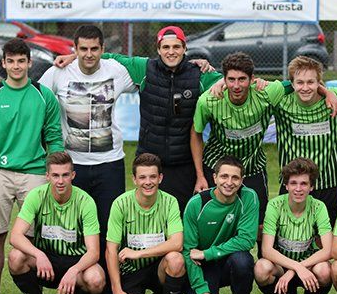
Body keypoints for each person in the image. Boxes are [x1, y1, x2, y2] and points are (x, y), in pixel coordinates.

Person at [55, 25, 221, 211]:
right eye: (166, 47)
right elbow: (108, 57)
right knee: (146, 216)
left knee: (180, 216)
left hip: (184, 163)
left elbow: (229, 81)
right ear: (158, 49)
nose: (171, 52)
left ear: (184, 48)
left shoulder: (198, 74)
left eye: (176, 47)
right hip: (149, 160)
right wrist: (74, 57)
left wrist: (219, 79)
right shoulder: (144, 68)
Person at [39, 25, 138, 294]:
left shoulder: (116, 70)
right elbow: (29, 92)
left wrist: (200, 66)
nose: (89, 54)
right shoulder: (58, 73)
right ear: (75, 49)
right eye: (83, 49)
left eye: (95, 48)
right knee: (77, 231)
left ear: (103, 49)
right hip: (74, 166)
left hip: (110, 164)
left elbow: (150, 68)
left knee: (109, 231)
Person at [0, 38, 64, 294]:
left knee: (32, 239)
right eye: (10, 61)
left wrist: (53, 172)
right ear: (3, 63)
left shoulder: (43, 95)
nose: (16, 66)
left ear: (29, 63)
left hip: (34, 174)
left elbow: (53, 137)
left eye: (21, 61)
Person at [191, 52, 288, 229]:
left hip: (252, 168)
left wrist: (326, 92)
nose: (236, 85)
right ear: (224, 80)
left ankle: (260, 249)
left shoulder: (266, 93)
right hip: (216, 167)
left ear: (252, 79)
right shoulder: (209, 100)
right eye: (231, 79)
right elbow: (196, 133)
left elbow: (297, 83)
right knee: (212, 225)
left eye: (242, 79)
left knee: (260, 226)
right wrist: (200, 176)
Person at [272, 55, 337, 226]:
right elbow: (253, 87)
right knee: (291, 236)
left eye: (311, 82)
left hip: (329, 183)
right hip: (294, 185)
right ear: (292, 83)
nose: (305, 87)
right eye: (300, 82)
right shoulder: (281, 101)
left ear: (319, 82)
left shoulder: (334, 100)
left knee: (324, 236)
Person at [7, 152, 104, 294]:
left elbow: (94, 252)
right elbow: (15, 236)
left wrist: (74, 270)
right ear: (47, 176)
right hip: (46, 261)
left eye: (65, 175)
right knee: (15, 257)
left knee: (96, 279)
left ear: (73, 175)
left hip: (76, 261)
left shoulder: (85, 201)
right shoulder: (36, 195)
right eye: (55, 175)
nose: (60, 181)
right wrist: (39, 254)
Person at [106, 153, 185, 294]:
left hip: (159, 268)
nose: (148, 182)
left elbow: (177, 243)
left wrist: (138, 253)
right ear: (134, 179)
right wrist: (117, 291)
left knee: (176, 259)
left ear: (160, 178)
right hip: (132, 270)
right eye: (142, 177)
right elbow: (111, 250)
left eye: (152, 177)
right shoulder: (120, 203)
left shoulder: (170, 202)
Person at [254, 158, 333, 294]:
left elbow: (327, 250)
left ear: (311, 187)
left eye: (304, 184)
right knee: (261, 268)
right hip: (282, 267)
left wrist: (298, 268)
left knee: (325, 270)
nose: (298, 189)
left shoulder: (319, 207)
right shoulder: (275, 205)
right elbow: (266, 250)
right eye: (293, 183)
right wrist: (294, 268)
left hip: (309, 267)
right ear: (286, 185)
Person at [183, 156, 259, 294]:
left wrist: (208, 253)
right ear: (215, 177)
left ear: (242, 180)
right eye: (224, 176)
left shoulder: (249, 197)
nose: (229, 182)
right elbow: (189, 251)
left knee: (243, 260)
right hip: (203, 265)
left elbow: (246, 240)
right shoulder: (197, 203)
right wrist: (202, 290)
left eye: (235, 177)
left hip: (227, 261)